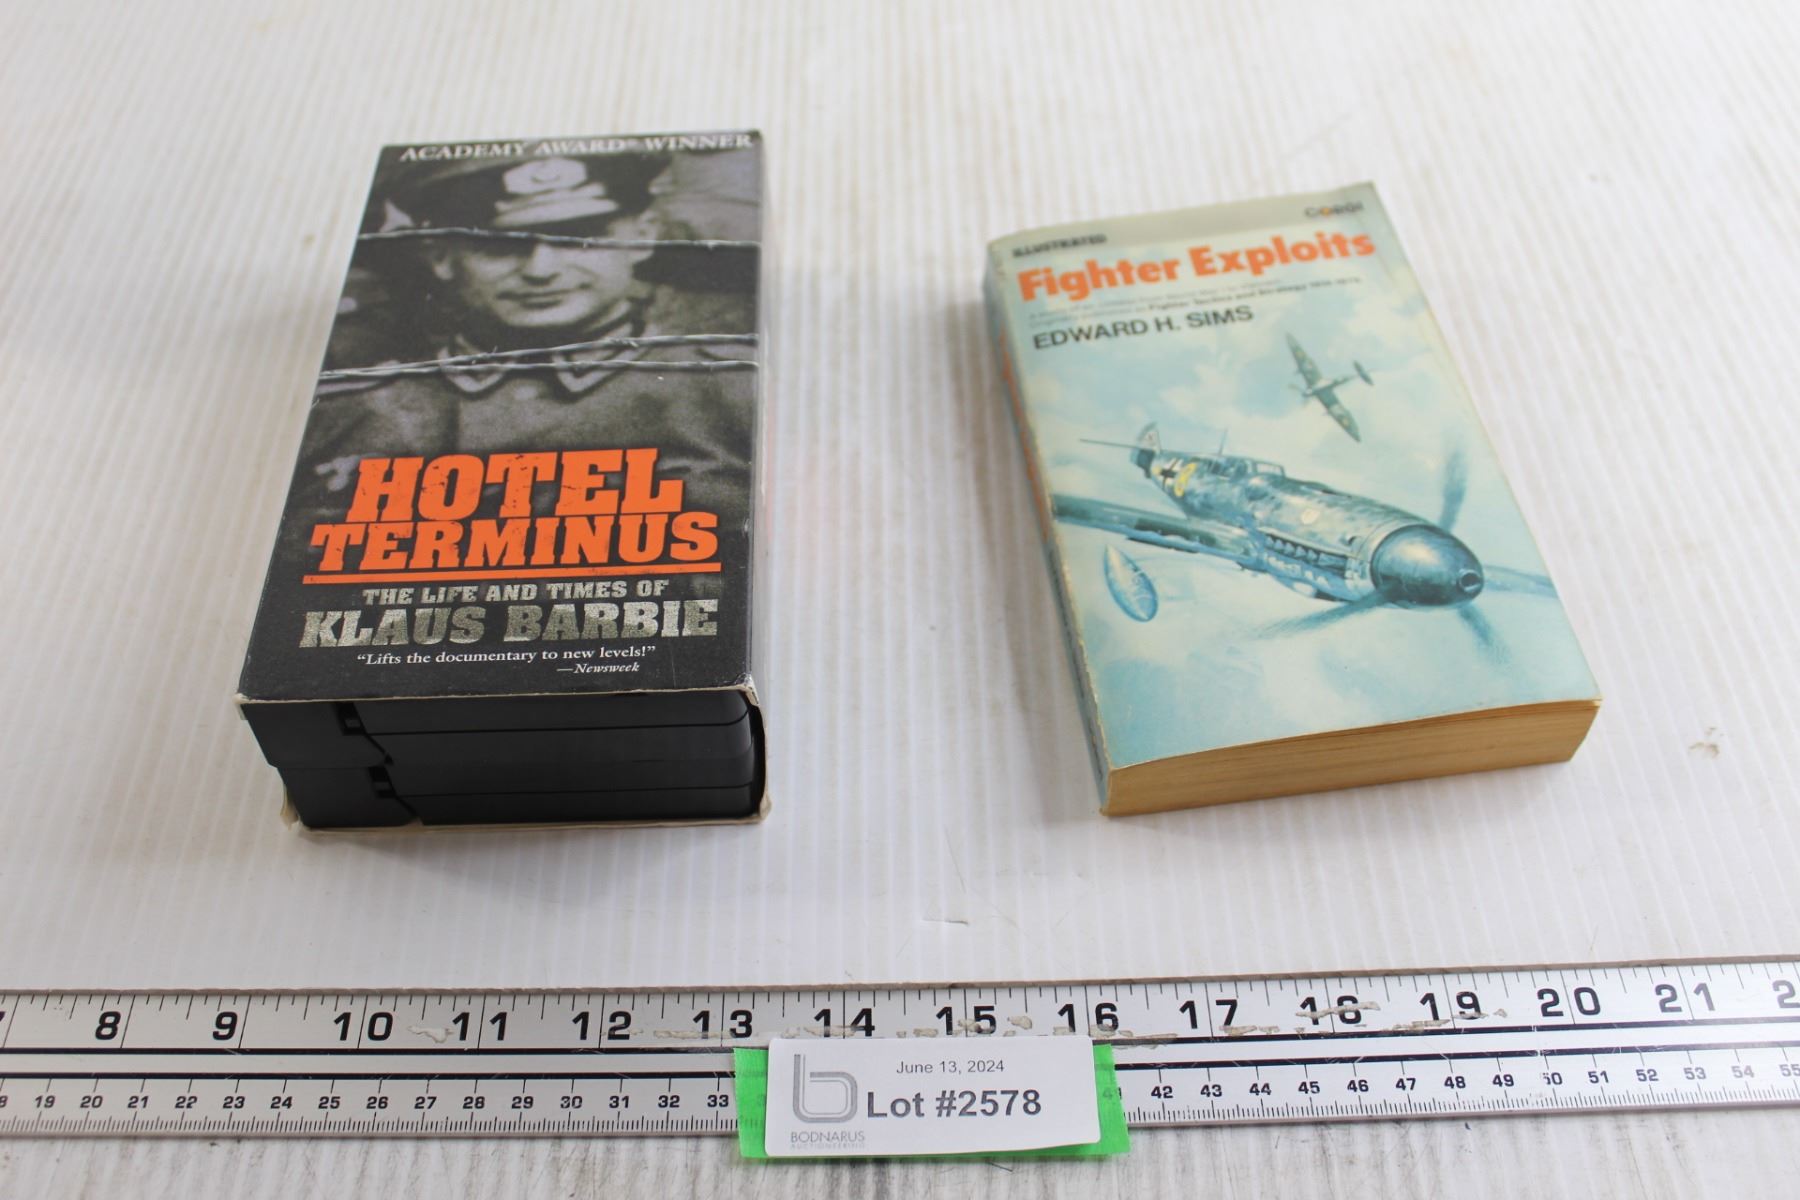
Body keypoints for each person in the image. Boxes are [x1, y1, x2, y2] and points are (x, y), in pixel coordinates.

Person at [298, 150, 758, 537]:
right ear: (441, 256)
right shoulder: (348, 411)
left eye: (578, 238)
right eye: (500, 246)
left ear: (642, 236)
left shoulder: (733, 391)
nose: (541, 270)